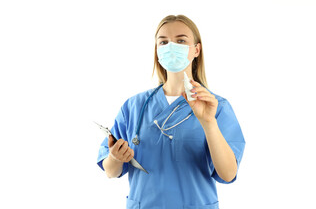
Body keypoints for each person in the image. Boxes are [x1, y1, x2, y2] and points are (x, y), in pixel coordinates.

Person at [96, 15, 246, 209]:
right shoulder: (134, 106)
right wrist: (115, 158)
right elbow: (111, 171)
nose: (171, 47)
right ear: (157, 50)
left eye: (181, 40)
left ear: (196, 50)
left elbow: (228, 174)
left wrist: (208, 122)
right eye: (164, 42)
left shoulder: (216, 107)